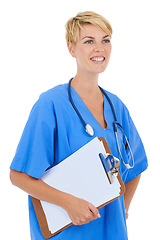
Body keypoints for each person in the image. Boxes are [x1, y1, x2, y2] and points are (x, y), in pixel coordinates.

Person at [10, 11, 148, 240]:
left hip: (112, 232)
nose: (100, 48)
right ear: (71, 49)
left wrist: (123, 209)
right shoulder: (51, 104)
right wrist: (68, 203)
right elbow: (19, 176)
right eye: (89, 41)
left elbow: (136, 167)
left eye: (105, 40)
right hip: (68, 234)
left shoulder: (116, 107)